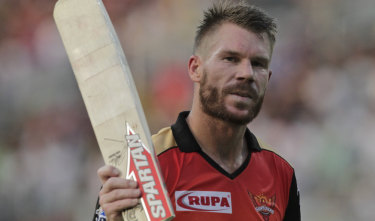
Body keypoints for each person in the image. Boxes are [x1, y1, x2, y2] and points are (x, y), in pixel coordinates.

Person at [93, 1, 301, 221]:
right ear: (195, 69)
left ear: (267, 79)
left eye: (258, 63)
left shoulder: (281, 173)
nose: (247, 73)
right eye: (230, 58)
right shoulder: (144, 164)